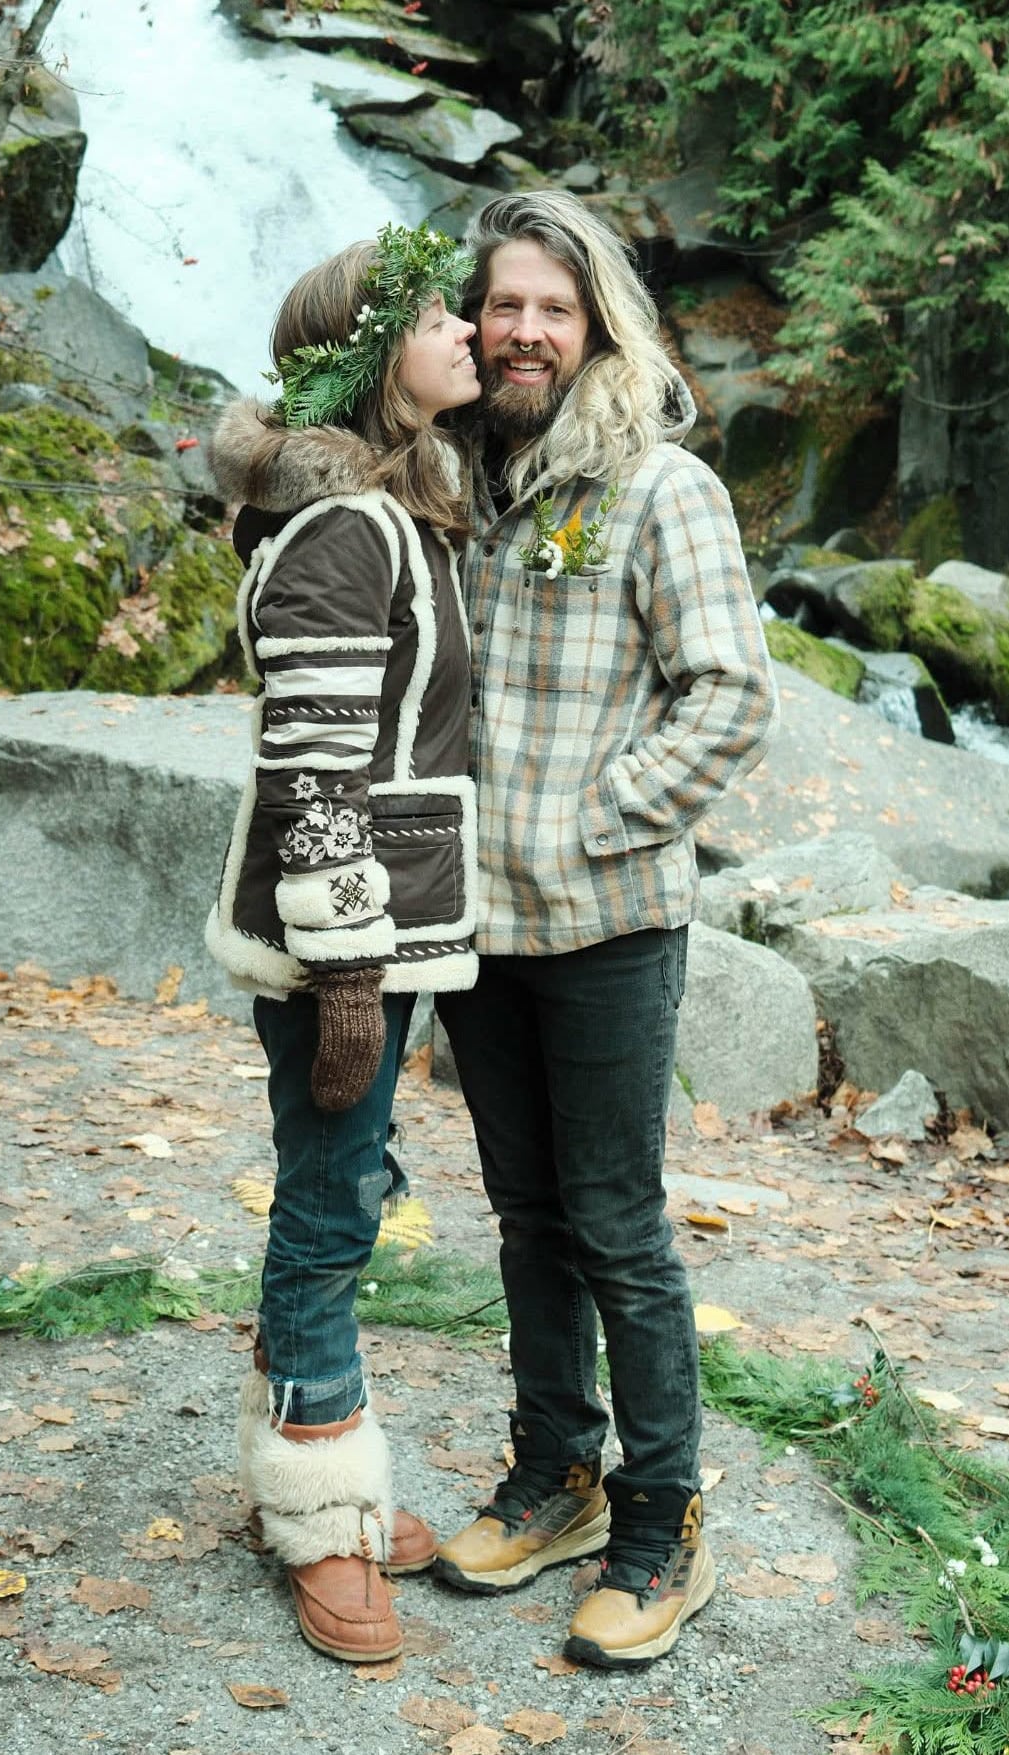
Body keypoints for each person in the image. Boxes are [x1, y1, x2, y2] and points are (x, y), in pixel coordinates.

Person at [433, 191, 778, 1669]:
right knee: (525, 1220)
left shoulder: (656, 488)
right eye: (503, 306)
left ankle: (658, 1526)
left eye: (551, 309)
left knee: (619, 1228)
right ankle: (554, 1479)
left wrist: (597, 813)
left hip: (609, 918)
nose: (524, 332)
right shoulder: (453, 479)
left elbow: (733, 695)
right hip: (479, 926)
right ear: (474, 322)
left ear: (595, 326)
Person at [205, 222, 481, 1665]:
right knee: (327, 1211)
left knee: (346, 1190)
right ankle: (320, 1513)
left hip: (395, 919)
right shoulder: (342, 532)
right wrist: (352, 978)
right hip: (344, 938)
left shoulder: (402, 506)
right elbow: (314, 767)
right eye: (439, 314)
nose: (467, 333)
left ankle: (297, 1450)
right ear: (378, 354)